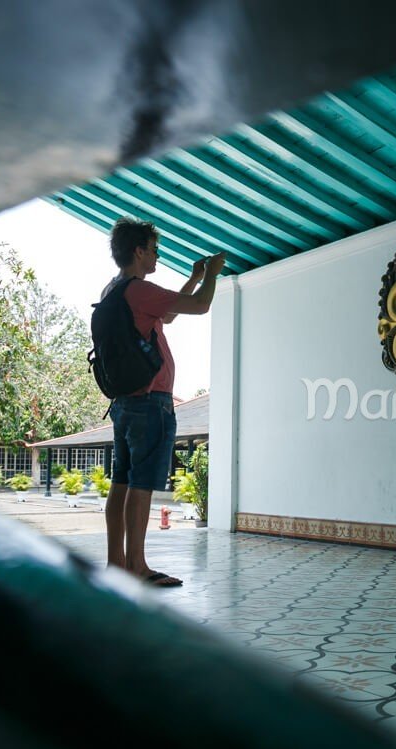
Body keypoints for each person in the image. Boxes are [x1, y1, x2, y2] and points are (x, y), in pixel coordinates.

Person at [102, 217, 223, 587]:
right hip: (150, 401)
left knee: (121, 482)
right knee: (141, 484)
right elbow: (201, 307)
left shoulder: (114, 290)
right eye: (154, 249)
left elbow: (166, 314)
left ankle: (117, 564)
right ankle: (138, 568)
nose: (156, 255)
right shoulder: (139, 290)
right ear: (139, 251)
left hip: (123, 402)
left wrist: (194, 277)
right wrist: (214, 274)